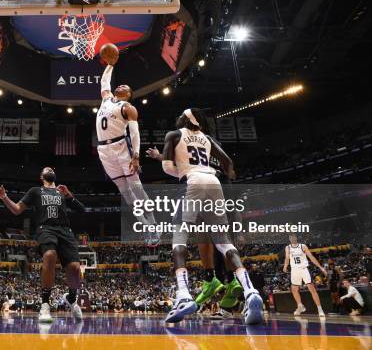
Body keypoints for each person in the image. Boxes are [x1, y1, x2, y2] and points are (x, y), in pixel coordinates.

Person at [148, 108, 263, 324]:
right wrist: (224, 175)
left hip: (192, 181)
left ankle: (183, 295)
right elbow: (228, 163)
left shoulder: (173, 135)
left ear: (185, 119)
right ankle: (250, 291)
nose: (178, 119)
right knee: (224, 243)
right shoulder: (207, 137)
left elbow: (166, 167)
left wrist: (184, 170)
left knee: (179, 237)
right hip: (215, 182)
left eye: (180, 117)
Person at [0, 167, 84, 323]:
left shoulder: (62, 191)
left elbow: (82, 210)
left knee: (75, 268)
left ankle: (71, 298)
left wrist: (69, 195)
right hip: (46, 228)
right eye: (46, 169)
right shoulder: (35, 191)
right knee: (50, 255)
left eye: (51, 168)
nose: (50, 169)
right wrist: (4, 197)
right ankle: (45, 305)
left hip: (65, 231)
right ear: (41, 176)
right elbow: (16, 210)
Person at [95, 52, 159, 245]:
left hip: (122, 148)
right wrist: (110, 64)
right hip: (104, 151)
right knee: (125, 192)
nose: (121, 85)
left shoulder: (128, 107)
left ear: (129, 95)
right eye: (120, 84)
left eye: (125, 86)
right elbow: (104, 82)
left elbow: (135, 133)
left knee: (137, 189)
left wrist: (136, 155)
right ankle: (145, 227)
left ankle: (154, 226)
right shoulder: (106, 99)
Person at [283, 234, 327, 317]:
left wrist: (321, 267)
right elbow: (287, 258)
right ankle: (300, 306)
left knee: (311, 288)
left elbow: (311, 257)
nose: (293, 238)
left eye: (294, 237)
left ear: (296, 238)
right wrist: (285, 266)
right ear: (289, 239)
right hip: (294, 270)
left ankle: (320, 309)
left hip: (304, 269)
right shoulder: (288, 247)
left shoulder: (302, 246)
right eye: (291, 237)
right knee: (294, 289)